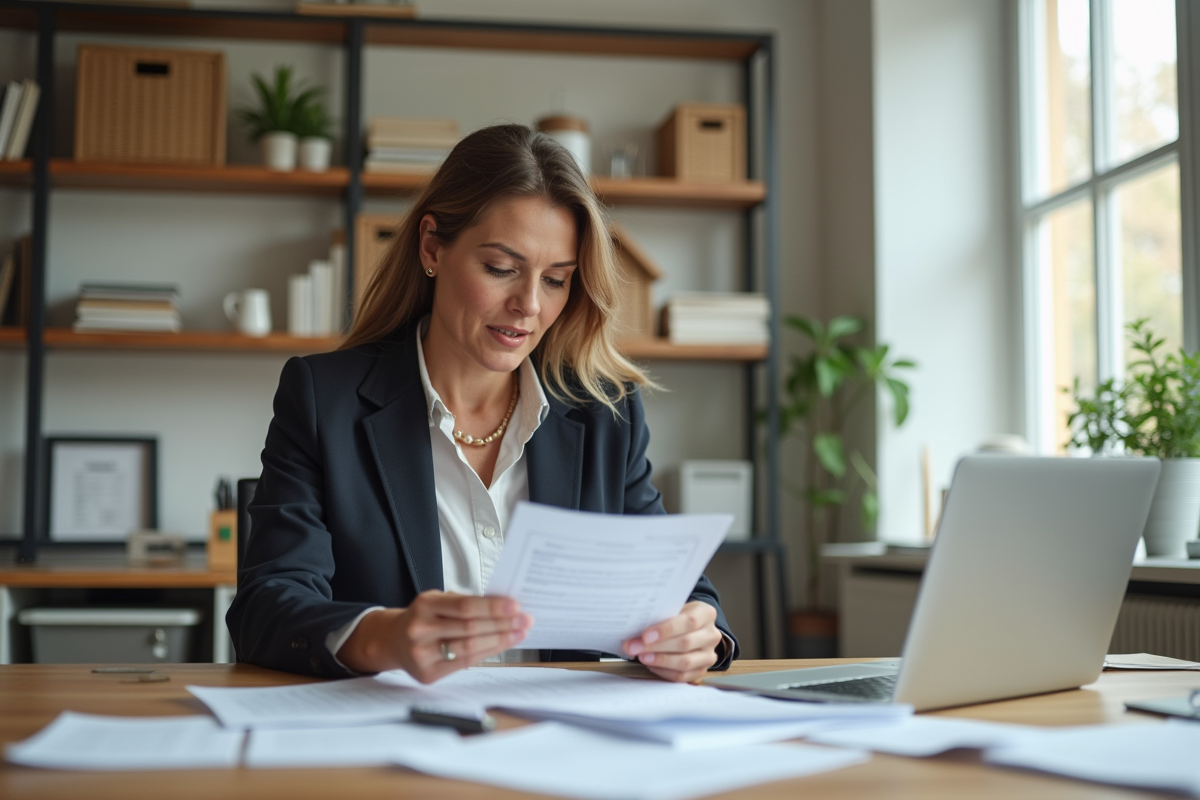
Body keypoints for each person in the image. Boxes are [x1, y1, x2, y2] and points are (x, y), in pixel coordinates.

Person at [227, 124, 739, 684]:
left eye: (556, 280)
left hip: (561, 743)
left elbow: (677, 586)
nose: (528, 305)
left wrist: (697, 631)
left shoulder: (603, 413)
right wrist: (386, 636)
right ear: (432, 248)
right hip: (394, 741)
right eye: (501, 269)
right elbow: (266, 607)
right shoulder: (326, 400)